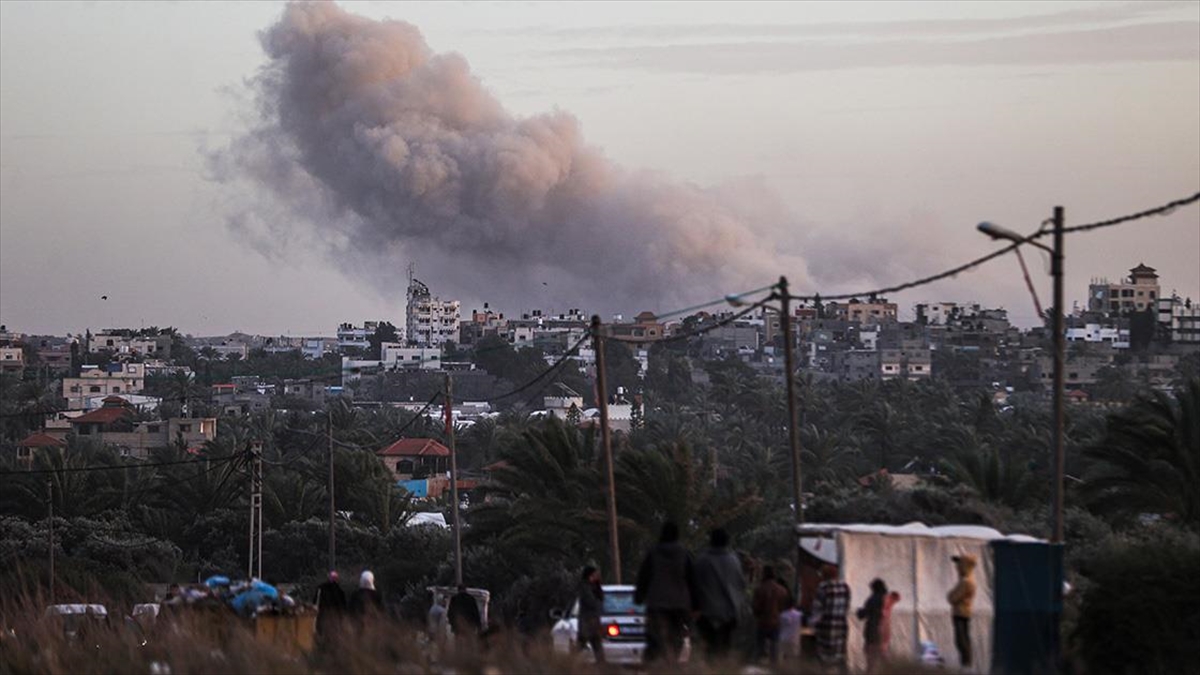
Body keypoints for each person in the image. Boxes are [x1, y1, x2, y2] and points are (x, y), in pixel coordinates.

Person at [634, 521, 696, 664]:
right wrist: (696, 605)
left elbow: (643, 577)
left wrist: (639, 597)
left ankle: (653, 665)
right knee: (676, 638)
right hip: (678, 606)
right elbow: (692, 581)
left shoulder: (653, 553)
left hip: (656, 605)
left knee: (654, 639)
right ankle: (671, 664)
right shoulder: (684, 554)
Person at [692, 528, 746, 662]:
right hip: (729, 613)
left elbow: (694, 585)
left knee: (709, 649)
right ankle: (722, 668)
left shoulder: (702, 561)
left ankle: (711, 668)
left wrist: (695, 608)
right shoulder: (734, 561)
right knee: (724, 648)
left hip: (707, 613)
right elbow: (741, 585)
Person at [812, 564, 851, 671]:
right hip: (841, 627)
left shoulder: (823, 587)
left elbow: (817, 609)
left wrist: (813, 624)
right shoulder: (845, 587)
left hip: (826, 627)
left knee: (825, 657)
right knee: (839, 656)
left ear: (825, 575)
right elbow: (847, 606)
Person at [752, 565, 792, 664]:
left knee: (759, 647)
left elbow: (756, 607)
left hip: (762, 622)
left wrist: (758, 615)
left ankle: (757, 665)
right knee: (774, 649)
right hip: (776, 622)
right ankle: (774, 667)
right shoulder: (782, 590)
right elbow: (784, 607)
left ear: (764, 574)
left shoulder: (759, 588)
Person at [856, 578, 894, 673]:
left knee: (871, 659)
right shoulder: (887, 598)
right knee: (883, 654)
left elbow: (863, 614)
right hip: (884, 630)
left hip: (872, 630)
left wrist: (859, 611)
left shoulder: (873, 599)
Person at [947, 554, 977, 669]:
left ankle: (966, 664)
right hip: (962, 612)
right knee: (962, 639)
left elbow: (952, 598)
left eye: (960, 564)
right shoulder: (965, 581)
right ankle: (965, 663)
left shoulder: (966, 582)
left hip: (961, 612)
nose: (957, 567)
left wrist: (951, 595)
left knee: (961, 640)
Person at [576, 565, 605, 663]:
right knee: (582, 643)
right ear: (590, 575)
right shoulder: (584, 586)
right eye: (596, 573)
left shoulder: (595, 586)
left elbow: (601, 599)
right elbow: (591, 602)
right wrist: (597, 602)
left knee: (597, 644)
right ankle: (571, 663)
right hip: (587, 620)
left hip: (595, 620)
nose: (598, 575)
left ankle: (601, 666)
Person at [315, 571, 347, 639]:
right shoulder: (340, 591)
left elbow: (316, 602)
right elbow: (343, 608)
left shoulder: (321, 589)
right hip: (335, 620)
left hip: (323, 618)